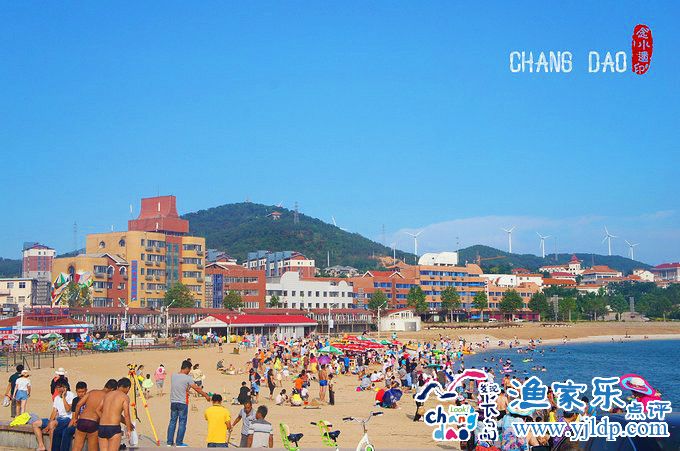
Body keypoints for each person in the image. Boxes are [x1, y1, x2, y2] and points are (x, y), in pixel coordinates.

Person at [167, 360, 211, 447]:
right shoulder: (188, 378)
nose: (189, 371)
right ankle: (179, 442)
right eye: (189, 369)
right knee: (182, 422)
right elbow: (197, 388)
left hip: (173, 401)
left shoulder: (173, 376)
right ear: (186, 368)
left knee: (172, 421)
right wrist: (206, 395)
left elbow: (179, 386)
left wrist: (186, 390)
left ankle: (169, 442)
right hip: (182, 402)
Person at [71, 379, 118, 451]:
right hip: (93, 423)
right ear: (112, 389)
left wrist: (75, 418)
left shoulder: (92, 392)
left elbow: (78, 405)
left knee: (76, 448)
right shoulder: (107, 397)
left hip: (82, 420)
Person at [95, 378, 134, 451]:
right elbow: (126, 415)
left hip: (102, 427)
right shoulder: (124, 397)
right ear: (128, 388)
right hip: (113, 427)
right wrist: (128, 429)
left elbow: (98, 409)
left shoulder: (107, 395)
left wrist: (104, 418)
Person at [58, 381, 87, 451]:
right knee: (64, 431)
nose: (81, 394)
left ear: (86, 390)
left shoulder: (89, 400)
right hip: (77, 423)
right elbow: (74, 417)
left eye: (83, 392)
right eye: (79, 392)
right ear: (76, 391)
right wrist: (69, 427)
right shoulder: (75, 400)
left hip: (86, 424)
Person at [50, 380, 77, 451]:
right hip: (60, 419)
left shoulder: (71, 395)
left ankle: (51, 449)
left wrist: (63, 397)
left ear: (65, 388)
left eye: (60, 387)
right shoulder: (56, 398)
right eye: (57, 387)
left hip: (68, 418)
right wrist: (49, 423)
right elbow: (54, 411)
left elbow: (68, 409)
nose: (58, 389)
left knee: (56, 427)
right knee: (55, 430)